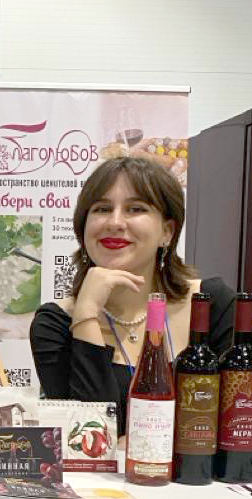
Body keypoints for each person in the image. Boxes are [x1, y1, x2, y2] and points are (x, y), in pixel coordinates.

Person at [30, 156, 234, 436]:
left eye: (135, 209)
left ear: (167, 231)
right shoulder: (55, 324)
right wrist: (86, 312)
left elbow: (241, 421)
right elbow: (90, 441)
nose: (115, 222)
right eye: (102, 209)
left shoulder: (213, 306)